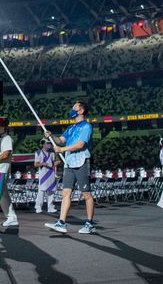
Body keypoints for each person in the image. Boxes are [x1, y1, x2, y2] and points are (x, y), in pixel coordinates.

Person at [44, 100, 96, 234]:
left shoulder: (87, 126)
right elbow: (60, 140)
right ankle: (61, 222)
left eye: (75, 107)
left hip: (82, 161)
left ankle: (90, 223)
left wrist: (62, 149)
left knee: (86, 194)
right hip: (69, 163)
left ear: (81, 111)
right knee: (66, 193)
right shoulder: (71, 127)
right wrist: (51, 136)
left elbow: (80, 145)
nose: (72, 109)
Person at [34, 138, 60, 214]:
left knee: (51, 191)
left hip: (51, 173)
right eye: (47, 143)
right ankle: (38, 207)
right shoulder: (38, 152)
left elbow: (55, 163)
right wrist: (43, 164)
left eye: (50, 143)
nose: (49, 145)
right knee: (41, 191)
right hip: (43, 174)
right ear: (43, 144)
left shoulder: (52, 153)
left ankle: (50, 207)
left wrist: (57, 163)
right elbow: (36, 164)